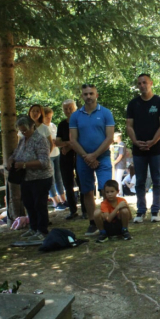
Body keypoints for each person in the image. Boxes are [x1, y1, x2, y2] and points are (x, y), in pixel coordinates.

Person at [70, 84, 115, 235]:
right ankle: (92, 222)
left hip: (102, 157)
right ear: (81, 96)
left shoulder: (106, 113)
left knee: (107, 189)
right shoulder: (75, 116)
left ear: (97, 95)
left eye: (91, 93)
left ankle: (109, 220)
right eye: (85, 94)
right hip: (83, 159)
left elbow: (109, 138)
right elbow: (73, 140)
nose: (88, 96)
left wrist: (94, 155)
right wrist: (87, 157)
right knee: (87, 191)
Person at [126, 73, 160, 223]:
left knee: (157, 180)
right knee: (140, 181)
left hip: (156, 149)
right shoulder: (133, 104)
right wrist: (136, 142)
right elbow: (129, 126)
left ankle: (155, 211)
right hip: (138, 150)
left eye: (145, 82)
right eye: (139, 83)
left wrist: (153, 141)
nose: (142, 85)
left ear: (151, 83)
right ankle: (141, 211)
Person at [8, 115, 53, 241]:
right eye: (21, 131)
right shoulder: (22, 140)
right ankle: (33, 228)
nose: (23, 133)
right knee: (29, 204)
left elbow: (44, 162)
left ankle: (42, 230)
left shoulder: (40, 139)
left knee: (40, 205)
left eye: (25, 130)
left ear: (32, 126)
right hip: (26, 178)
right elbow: (16, 153)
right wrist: (11, 160)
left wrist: (24, 165)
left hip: (40, 178)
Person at [56, 99, 87, 220]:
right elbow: (57, 142)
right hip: (65, 158)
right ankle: (73, 210)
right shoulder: (61, 124)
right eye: (65, 109)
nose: (68, 111)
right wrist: (69, 144)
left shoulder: (81, 122)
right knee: (67, 184)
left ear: (75, 108)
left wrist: (67, 145)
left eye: (70, 108)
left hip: (79, 155)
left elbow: (83, 139)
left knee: (82, 183)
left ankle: (85, 210)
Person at [43, 107, 67, 211]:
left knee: (59, 177)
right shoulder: (41, 128)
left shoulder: (53, 126)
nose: (49, 119)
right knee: (51, 179)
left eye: (50, 117)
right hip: (48, 155)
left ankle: (63, 199)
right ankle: (55, 202)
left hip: (56, 153)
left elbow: (58, 139)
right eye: (47, 117)